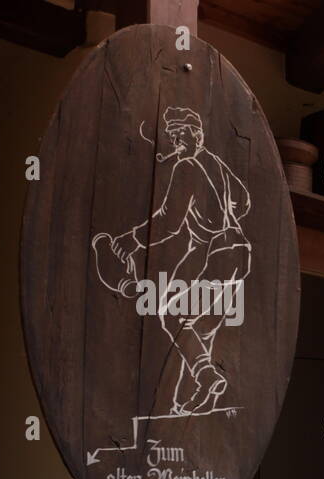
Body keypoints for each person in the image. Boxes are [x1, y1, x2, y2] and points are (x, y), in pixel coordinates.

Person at [92, 106, 251, 416]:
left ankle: (206, 377)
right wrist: (218, 214)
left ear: (197, 134)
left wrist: (132, 239)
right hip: (238, 251)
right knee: (199, 329)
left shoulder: (188, 167)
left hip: (219, 252)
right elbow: (243, 202)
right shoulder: (217, 164)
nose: (176, 141)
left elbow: (168, 221)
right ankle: (189, 398)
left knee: (170, 313)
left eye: (181, 134)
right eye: (172, 136)